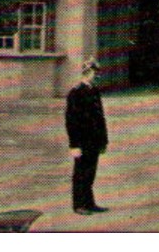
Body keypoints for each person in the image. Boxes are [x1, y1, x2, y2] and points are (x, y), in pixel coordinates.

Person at [65, 59, 110, 215]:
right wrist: (74, 145)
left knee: (90, 173)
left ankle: (89, 203)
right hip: (82, 141)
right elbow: (71, 121)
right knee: (80, 174)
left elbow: (100, 118)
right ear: (87, 73)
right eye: (95, 73)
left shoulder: (94, 91)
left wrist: (104, 140)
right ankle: (79, 205)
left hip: (94, 140)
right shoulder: (76, 92)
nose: (97, 76)